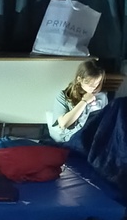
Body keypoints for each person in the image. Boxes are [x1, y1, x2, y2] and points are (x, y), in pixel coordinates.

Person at [47, 59, 127, 198]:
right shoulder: (64, 96)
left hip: (94, 137)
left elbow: (104, 125)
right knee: (119, 104)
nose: (94, 89)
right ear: (79, 79)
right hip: (74, 137)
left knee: (118, 111)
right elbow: (64, 123)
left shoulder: (101, 97)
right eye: (90, 85)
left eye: (97, 85)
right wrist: (84, 101)